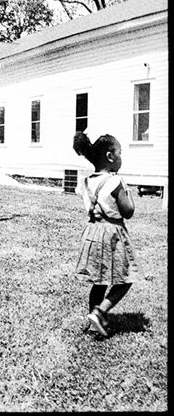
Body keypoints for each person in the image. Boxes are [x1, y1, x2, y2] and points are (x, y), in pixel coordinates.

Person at [71, 131, 139, 337]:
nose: (121, 158)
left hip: (92, 233)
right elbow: (128, 211)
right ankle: (100, 312)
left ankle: (93, 323)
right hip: (113, 234)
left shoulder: (84, 183)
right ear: (110, 157)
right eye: (120, 153)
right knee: (126, 279)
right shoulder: (116, 182)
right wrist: (128, 194)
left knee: (99, 281)